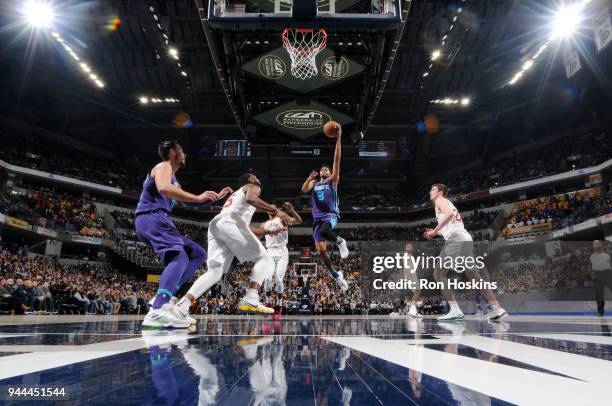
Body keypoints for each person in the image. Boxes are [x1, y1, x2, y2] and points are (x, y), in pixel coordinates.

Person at [135, 140, 232, 328]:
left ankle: (164, 296)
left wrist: (212, 199)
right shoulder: (164, 166)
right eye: (182, 150)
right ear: (172, 153)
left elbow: (188, 202)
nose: (185, 154)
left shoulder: (175, 180)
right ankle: (158, 308)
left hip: (158, 220)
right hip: (151, 217)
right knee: (179, 257)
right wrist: (197, 197)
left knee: (197, 253)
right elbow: (163, 188)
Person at [175, 173, 292, 319]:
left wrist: (267, 226)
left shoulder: (238, 198)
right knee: (265, 260)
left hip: (217, 224)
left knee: (214, 272)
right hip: (230, 222)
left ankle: (182, 305)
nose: (258, 179)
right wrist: (276, 211)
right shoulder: (252, 186)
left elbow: (247, 220)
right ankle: (251, 296)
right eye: (256, 177)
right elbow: (251, 199)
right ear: (250, 180)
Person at [424, 183, 507, 321]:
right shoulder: (447, 202)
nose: (430, 191)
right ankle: (497, 308)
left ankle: (455, 310)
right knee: (474, 276)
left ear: (440, 192)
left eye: (432, 189)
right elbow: (449, 225)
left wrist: (433, 230)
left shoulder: (439, 200)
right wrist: (435, 232)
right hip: (465, 238)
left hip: (456, 239)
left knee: (438, 273)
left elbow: (450, 215)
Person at [301, 123, 349, 292]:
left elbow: (336, 159)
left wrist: (338, 138)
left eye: (326, 169)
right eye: (322, 168)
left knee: (323, 232)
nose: (324, 169)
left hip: (330, 215)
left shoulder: (332, 181)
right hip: (317, 219)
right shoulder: (314, 183)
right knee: (321, 252)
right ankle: (337, 276)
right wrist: (308, 178)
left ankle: (340, 241)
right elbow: (303, 190)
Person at [258, 201, 302, 320]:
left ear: (276, 210)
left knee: (278, 278)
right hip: (269, 251)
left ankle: (279, 305)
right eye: (269, 208)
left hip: (282, 251)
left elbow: (299, 221)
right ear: (267, 211)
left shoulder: (283, 219)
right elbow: (258, 238)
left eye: (273, 208)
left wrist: (292, 210)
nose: (271, 210)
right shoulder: (264, 225)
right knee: (267, 279)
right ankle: (268, 303)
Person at [589, 240, 612, 316]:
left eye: (598, 243)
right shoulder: (591, 256)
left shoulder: (608, 254)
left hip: (608, 274)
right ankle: (600, 311)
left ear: (601, 245)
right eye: (595, 244)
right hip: (597, 275)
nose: (597, 245)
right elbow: (588, 266)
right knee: (599, 294)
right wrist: (592, 275)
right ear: (593, 246)